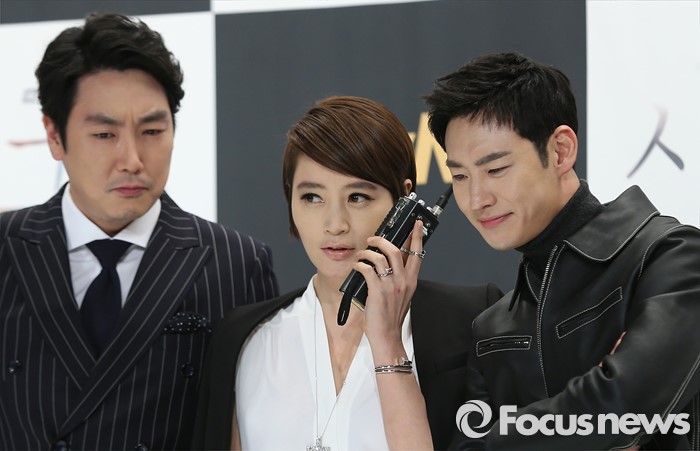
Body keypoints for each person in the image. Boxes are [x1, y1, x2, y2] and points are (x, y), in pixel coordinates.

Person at [0, 12, 278, 451]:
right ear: (54, 135)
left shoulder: (236, 264)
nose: (132, 159)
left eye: (152, 130)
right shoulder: (6, 248)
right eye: (104, 134)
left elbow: (258, 427)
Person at [191, 96, 503, 450]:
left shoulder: (472, 321)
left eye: (357, 197)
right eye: (312, 197)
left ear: (404, 202)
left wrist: (388, 345)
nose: (335, 224)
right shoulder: (243, 339)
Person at [424, 51, 700, 449]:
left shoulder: (670, 257)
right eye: (461, 176)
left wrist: (506, 434)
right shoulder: (492, 328)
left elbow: (622, 409)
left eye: (495, 169)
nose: (477, 198)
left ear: (560, 151)